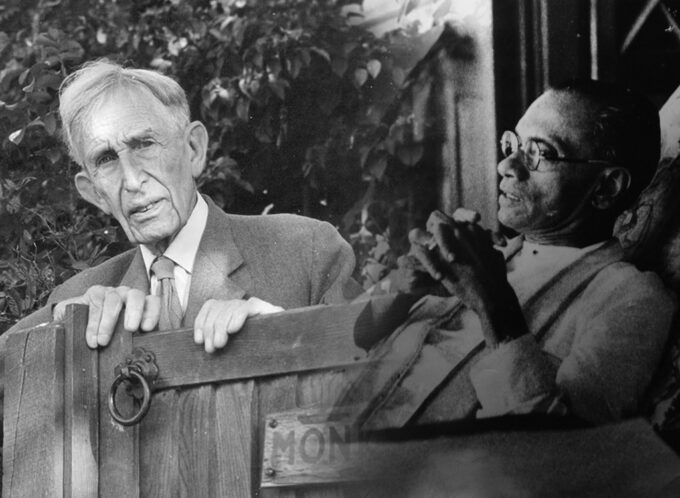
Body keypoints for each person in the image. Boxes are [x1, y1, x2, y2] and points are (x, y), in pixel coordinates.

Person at [337, 79, 677, 426]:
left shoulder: (631, 297)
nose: (506, 166)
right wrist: (402, 288)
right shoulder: (488, 253)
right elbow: (338, 341)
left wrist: (494, 302)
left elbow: (564, 446)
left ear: (606, 187)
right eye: (513, 144)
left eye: (539, 152)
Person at [4, 60, 360, 352]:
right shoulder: (75, 301)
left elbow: (377, 378)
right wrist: (56, 324)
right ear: (94, 192)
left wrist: (284, 336)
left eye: (144, 144)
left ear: (194, 149)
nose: (132, 180)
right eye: (107, 159)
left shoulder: (306, 251)